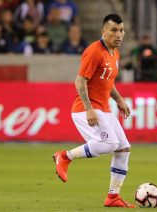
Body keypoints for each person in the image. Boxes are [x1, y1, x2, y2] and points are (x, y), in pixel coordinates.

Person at [52, 14, 135, 208]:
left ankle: (113, 197)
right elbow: (80, 81)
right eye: (114, 30)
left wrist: (119, 100)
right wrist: (89, 109)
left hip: (104, 109)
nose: (119, 34)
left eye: (121, 30)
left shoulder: (115, 53)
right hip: (85, 109)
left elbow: (108, 82)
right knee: (110, 143)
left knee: (123, 149)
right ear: (103, 31)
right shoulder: (94, 51)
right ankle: (64, 156)